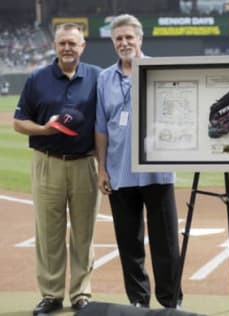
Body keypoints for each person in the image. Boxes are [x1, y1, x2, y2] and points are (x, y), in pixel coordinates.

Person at [13, 23, 101, 315]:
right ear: (55, 45)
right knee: (49, 232)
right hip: (47, 162)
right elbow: (18, 121)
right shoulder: (37, 78)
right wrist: (44, 129)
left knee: (84, 232)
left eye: (72, 44)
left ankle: (81, 294)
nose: (67, 48)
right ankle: (51, 295)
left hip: (85, 162)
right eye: (62, 43)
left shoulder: (97, 77)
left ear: (82, 46)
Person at [95, 14, 182, 309]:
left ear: (140, 40)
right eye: (118, 38)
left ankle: (171, 303)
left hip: (157, 172)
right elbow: (101, 127)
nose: (124, 43)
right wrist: (102, 169)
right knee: (129, 245)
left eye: (129, 37)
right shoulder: (105, 78)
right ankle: (138, 302)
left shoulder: (159, 69)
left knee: (166, 244)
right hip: (120, 173)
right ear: (113, 43)